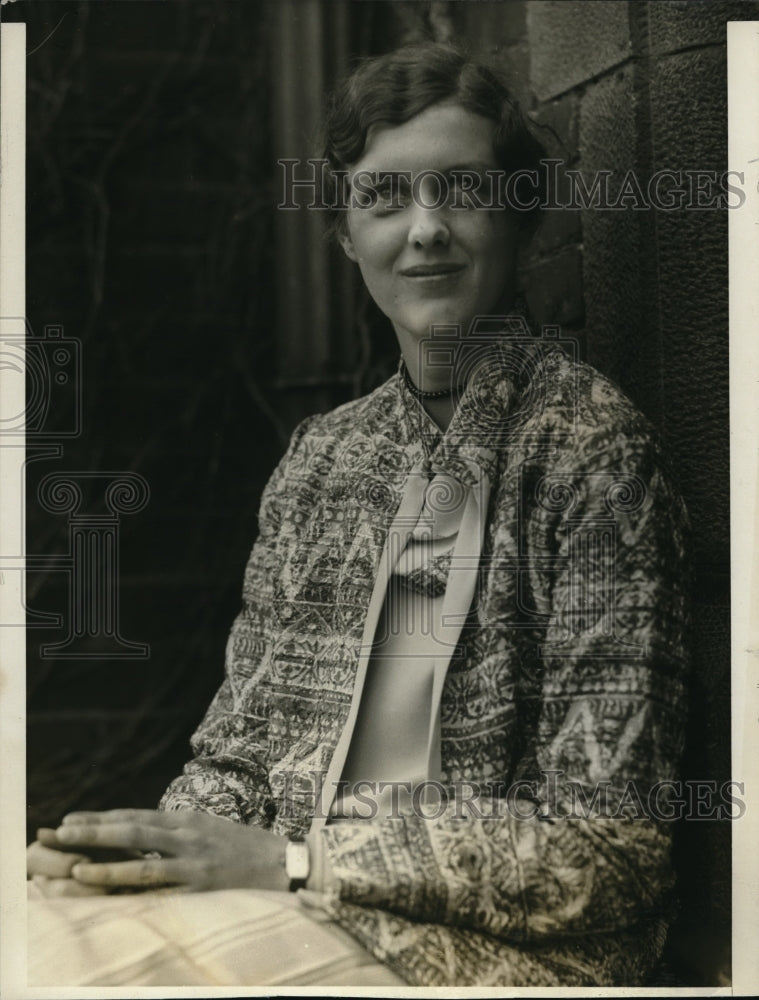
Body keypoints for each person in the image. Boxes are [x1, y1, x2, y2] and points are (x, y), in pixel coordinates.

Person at [26, 42, 690, 987]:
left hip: (489, 951)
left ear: (522, 217)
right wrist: (149, 851)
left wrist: (301, 863)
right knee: (32, 917)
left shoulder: (590, 453)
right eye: (384, 197)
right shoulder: (321, 461)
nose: (425, 231)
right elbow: (239, 759)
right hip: (290, 902)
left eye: (461, 190)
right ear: (344, 234)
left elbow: (610, 853)